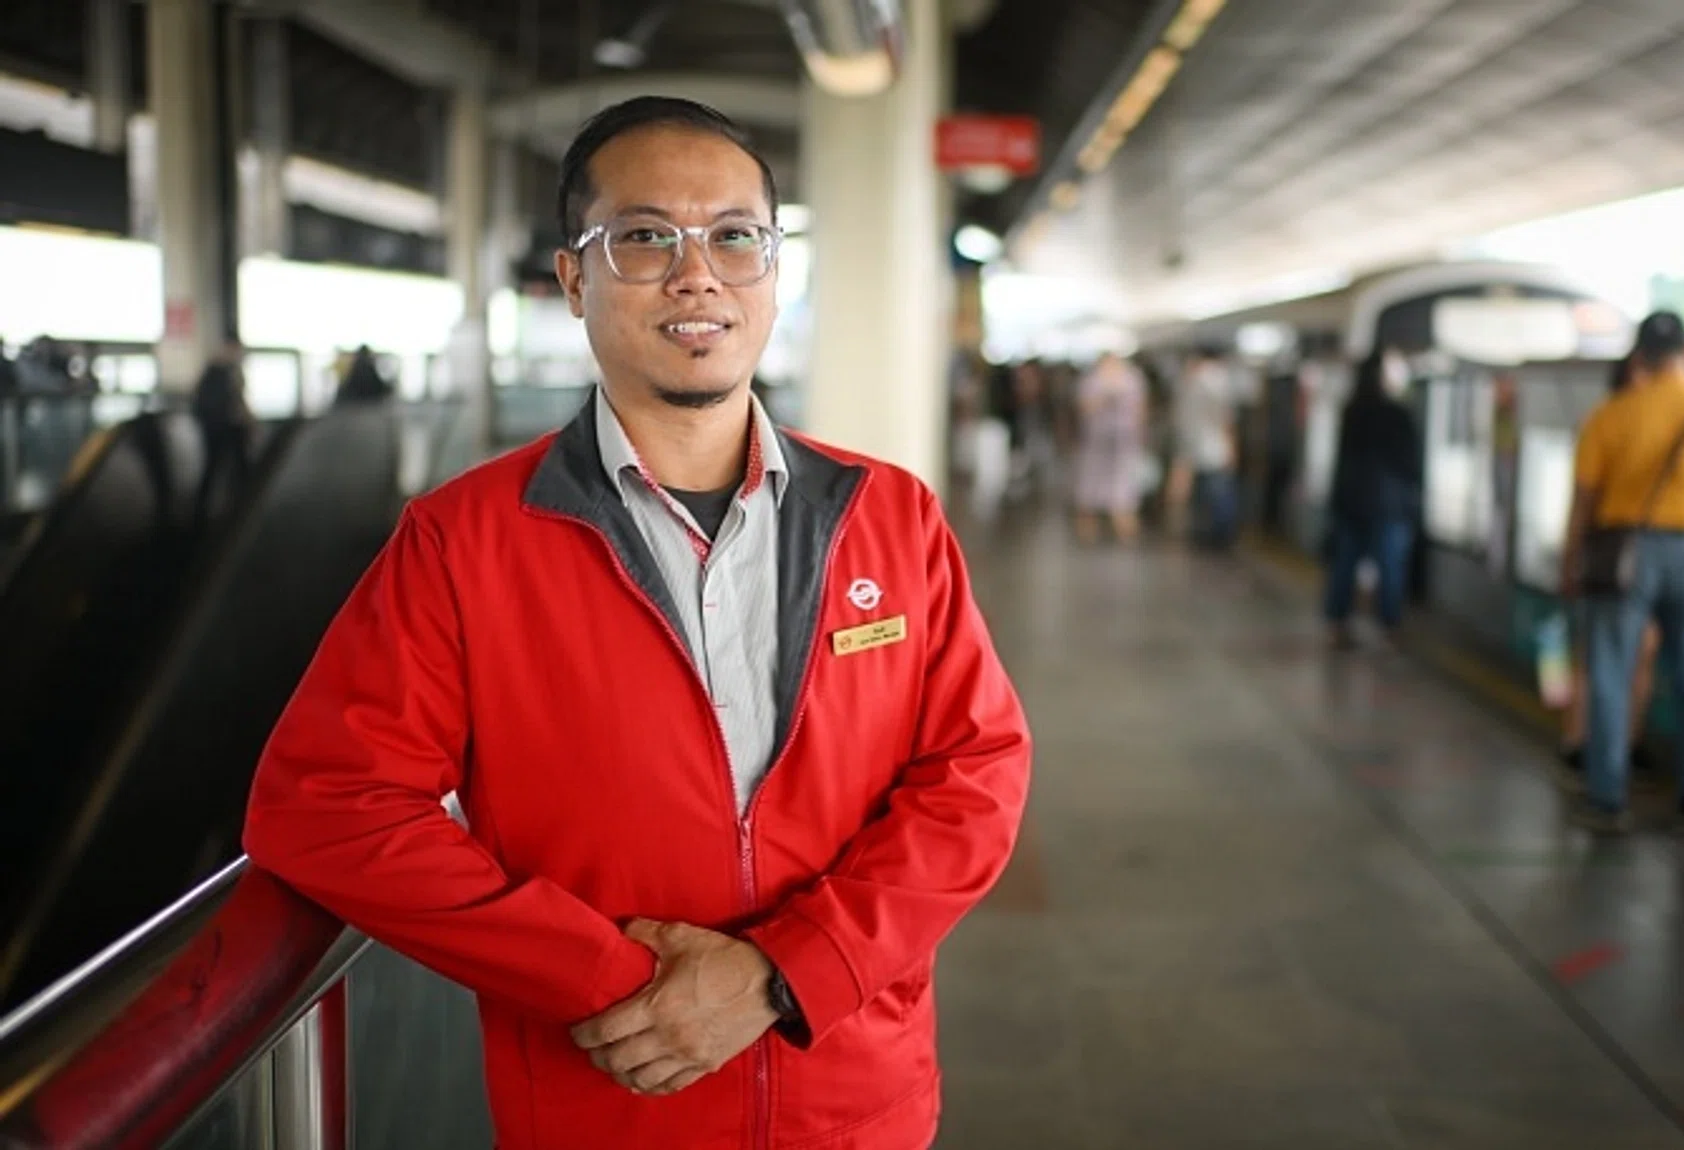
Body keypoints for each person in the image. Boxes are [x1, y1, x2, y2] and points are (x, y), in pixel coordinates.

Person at [242, 96, 1032, 1150]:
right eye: (646, 237)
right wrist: (623, 984)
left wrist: (785, 972)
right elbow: (327, 806)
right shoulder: (464, 542)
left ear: (774, 272)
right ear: (575, 279)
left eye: (736, 237)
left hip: (859, 1107)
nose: (697, 274)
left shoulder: (889, 517)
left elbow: (975, 771)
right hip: (610, 1101)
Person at [1560, 311, 1684, 835]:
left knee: (1611, 672)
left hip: (1626, 554)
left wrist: (1571, 559)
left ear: (1641, 357)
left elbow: (1584, 501)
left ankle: (1607, 799)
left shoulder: (1612, 415)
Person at [1557, 357, 1660, 790]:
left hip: (1607, 553)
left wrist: (1570, 556)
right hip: (1636, 554)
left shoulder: (1600, 421)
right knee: (1633, 654)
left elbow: (1582, 498)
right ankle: (1618, 745)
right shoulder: (1645, 422)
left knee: (1599, 655)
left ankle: (1583, 743)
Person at [1323, 346, 1422, 648]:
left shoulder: (1352, 411)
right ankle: (1389, 626)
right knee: (1389, 567)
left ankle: (1338, 622)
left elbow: (1342, 460)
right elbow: (1410, 465)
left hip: (1351, 502)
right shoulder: (1398, 414)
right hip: (1389, 505)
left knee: (1345, 565)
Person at [1072, 352, 1148, 543]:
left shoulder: (1132, 379)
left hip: (1124, 441)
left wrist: (1140, 432)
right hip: (1096, 441)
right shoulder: (1091, 381)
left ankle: (1124, 527)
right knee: (1090, 485)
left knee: (1124, 486)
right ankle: (1087, 528)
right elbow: (1083, 408)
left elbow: (1140, 408)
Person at [1171, 347, 1240, 550]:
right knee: (1217, 493)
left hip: (1198, 446)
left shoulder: (1191, 380)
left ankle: (1209, 534)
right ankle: (1220, 536)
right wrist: (1232, 445)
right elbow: (1225, 417)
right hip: (1214, 446)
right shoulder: (1216, 379)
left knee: (1207, 494)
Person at [190, 339, 255, 525]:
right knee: (215, 469)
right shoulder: (216, 373)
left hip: (230, 429)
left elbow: (239, 401)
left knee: (238, 469)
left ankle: (242, 507)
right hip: (219, 430)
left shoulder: (230, 372)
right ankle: (201, 515)